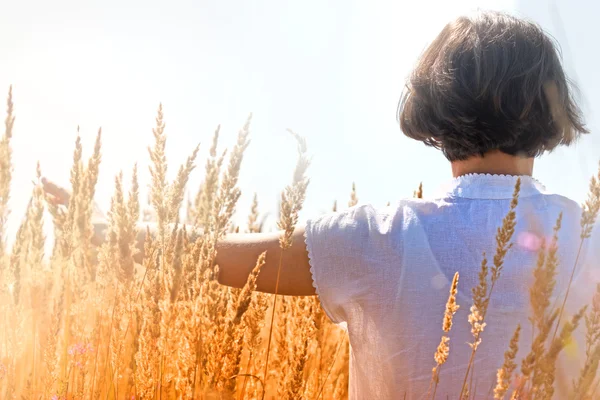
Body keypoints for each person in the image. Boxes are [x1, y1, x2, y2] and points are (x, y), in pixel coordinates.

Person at [44, 11, 599, 399]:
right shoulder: (591, 238)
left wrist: (104, 226)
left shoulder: (380, 235)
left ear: (435, 107)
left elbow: (212, 256)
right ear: (548, 107)